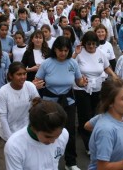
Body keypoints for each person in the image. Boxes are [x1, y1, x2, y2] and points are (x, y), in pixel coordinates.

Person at [35, 36, 88, 170]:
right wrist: (37, 85)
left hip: (68, 101)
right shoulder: (47, 63)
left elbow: (78, 81)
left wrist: (83, 83)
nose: (63, 53)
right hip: (49, 102)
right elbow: (37, 81)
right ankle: (46, 161)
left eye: (65, 50)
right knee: (49, 130)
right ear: (55, 49)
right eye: (60, 50)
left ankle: (71, 162)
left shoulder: (72, 63)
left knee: (69, 131)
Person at [72, 31, 118, 153]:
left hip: (97, 88)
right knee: (85, 115)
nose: (91, 46)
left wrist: (113, 75)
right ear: (84, 44)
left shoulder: (101, 53)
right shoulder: (79, 53)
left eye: (93, 44)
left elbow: (106, 67)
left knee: (96, 114)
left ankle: (95, 137)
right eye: (88, 44)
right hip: (82, 88)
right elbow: (70, 66)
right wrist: (75, 54)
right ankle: (88, 145)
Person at [4, 98, 69, 170]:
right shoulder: (14, 146)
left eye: (57, 136)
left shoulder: (64, 134)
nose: (53, 141)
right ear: (34, 128)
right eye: (48, 136)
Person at [0, 62, 40, 141]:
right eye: (19, 74)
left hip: (26, 130)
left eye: (24, 74)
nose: (23, 77)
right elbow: (3, 117)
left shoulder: (30, 86)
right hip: (8, 131)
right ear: (10, 75)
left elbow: (37, 106)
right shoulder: (3, 91)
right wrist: (10, 138)